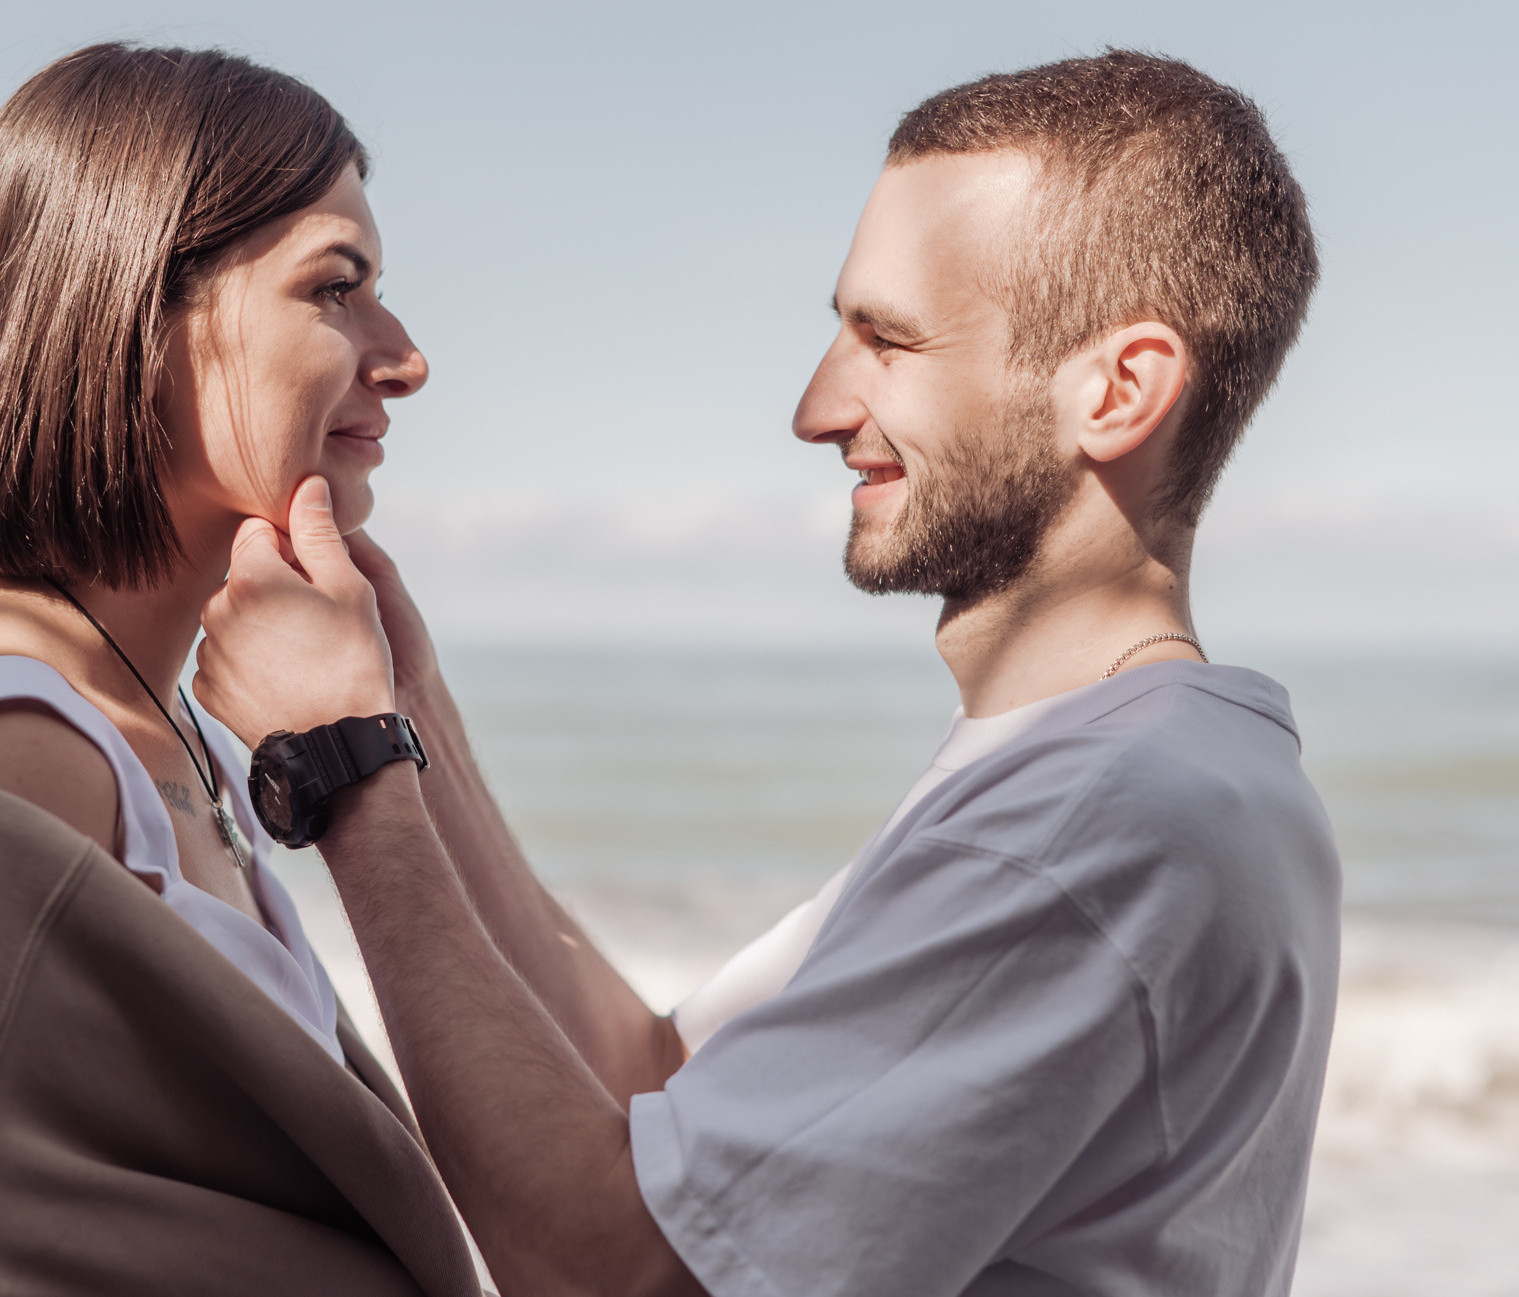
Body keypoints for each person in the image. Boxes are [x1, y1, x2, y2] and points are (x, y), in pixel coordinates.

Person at [192, 50, 1339, 1297]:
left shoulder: (1102, 822)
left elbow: (617, 1274)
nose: (817, 406)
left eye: (888, 339)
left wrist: (352, 770)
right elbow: (658, 1082)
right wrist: (415, 717)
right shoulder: (1125, 768)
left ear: (1119, 391)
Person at [0, 43, 480, 1297]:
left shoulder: (145, 717)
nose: (402, 355)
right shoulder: (10, 744)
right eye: (336, 288)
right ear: (132, 312)